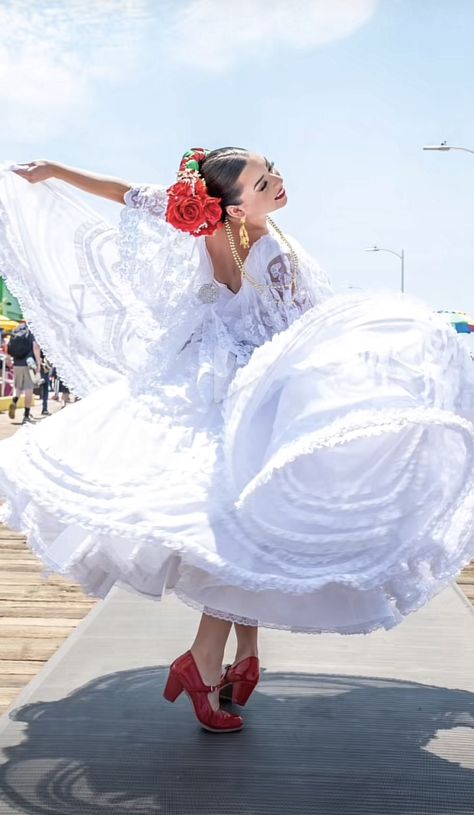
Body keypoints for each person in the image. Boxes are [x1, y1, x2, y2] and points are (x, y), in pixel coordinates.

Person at [0, 151, 474, 733]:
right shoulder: (271, 252)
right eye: (262, 182)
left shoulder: (195, 219)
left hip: (198, 379)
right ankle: (203, 661)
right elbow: (303, 331)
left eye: (273, 171)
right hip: (250, 392)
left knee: (242, 525)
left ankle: (242, 655)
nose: (278, 184)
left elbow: (125, 192)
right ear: (231, 205)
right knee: (244, 528)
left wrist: (55, 173)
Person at [6, 321, 41, 424]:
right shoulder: (31, 331)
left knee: (18, 387)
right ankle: (26, 415)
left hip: (17, 364)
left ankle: (14, 401)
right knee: (28, 389)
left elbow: (9, 348)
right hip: (28, 364)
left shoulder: (16, 330)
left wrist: (9, 360)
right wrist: (38, 363)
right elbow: (36, 347)